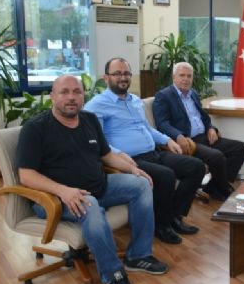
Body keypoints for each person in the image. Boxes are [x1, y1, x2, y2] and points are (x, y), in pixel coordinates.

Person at [16, 75, 168, 284]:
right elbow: (26, 175)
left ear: (83, 96)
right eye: (64, 92)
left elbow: (106, 155)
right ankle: (114, 275)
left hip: (99, 186)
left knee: (141, 184)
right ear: (52, 96)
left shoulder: (89, 120)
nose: (71, 97)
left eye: (77, 92)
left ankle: (138, 255)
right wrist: (63, 191)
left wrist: (132, 169)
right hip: (55, 198)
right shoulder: (35, 128)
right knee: (91, 204)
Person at [84, 58, 205, 245]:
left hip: (154, 153)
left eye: (126, 73)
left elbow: (147, 128)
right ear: (106, 78)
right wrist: (117, 153)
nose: (123, 77)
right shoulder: (96, 105)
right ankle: (161, 226)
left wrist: (167, 140)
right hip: (129, 160)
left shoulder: (135, 100)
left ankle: (174, 216)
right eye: (117, 74)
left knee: (196, 167)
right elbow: (97, 141)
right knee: (166, 176)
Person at [153, 62, 244, 201]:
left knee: (240, 148)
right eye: (182, 75)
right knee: (217, 156)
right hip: (188, 142)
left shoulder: (193, 94)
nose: (186, 79)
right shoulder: (164, 96)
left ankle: (215, 187)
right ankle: (224, 190)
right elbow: (162, 123)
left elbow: (203, 117)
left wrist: (210, 128)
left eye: (189, 76)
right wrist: (178, 135)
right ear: (174, 77)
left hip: (204, 137)